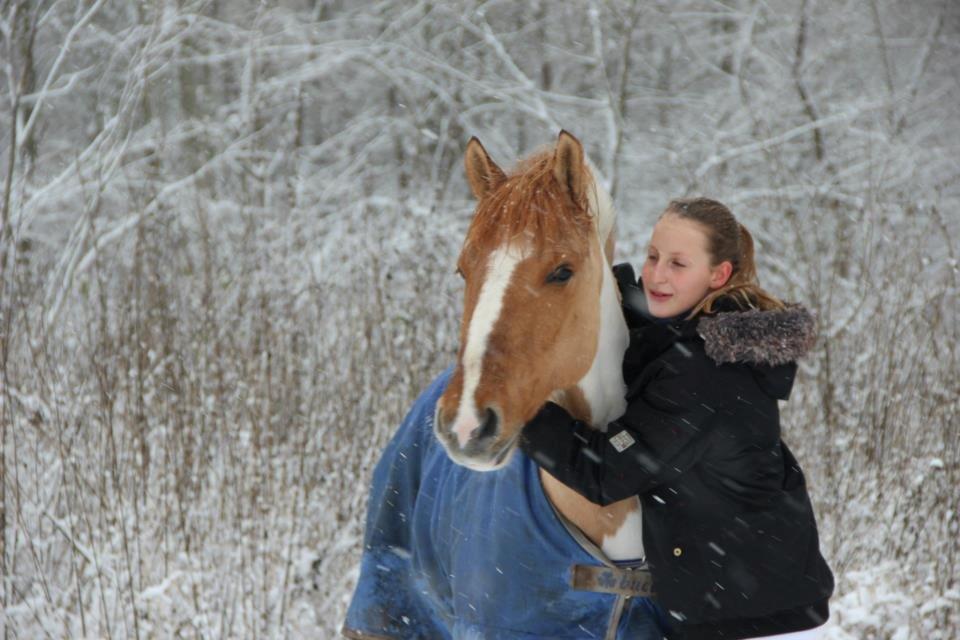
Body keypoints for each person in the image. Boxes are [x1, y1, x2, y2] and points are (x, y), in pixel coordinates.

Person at [520, 197, 834, 640]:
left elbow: (607, 472)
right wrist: (607, 293)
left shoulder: (708, 372)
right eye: (652, 257)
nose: (656, 275)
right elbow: (652, 341)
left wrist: (522, 410)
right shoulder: (702, 336)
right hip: (745, 603)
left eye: (678, 264)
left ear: (718, 275)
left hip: (754, 625)